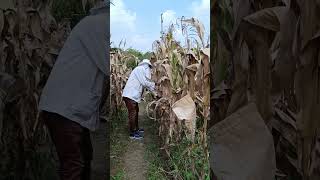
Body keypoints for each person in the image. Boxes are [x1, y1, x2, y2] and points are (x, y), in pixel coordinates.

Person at [38, 1, 109, 180]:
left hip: (69, 107)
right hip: (64, 108)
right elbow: (110, 68)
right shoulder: (98, 25)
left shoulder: (97, 23)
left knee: (84, 157)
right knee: (74, 164)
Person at [122, 59, 158, 140]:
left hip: (132, 96)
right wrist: (155, 86)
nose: (150, 70)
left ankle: (136, 129)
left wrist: (154, 91)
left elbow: (145, 83)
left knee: (136, 111)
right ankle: (132, 133)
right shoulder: (140, 69)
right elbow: (144, 82)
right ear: (147, 66)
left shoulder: (140, 70)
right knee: (133, 113)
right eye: (149, 67)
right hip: (130, 95)